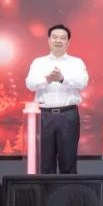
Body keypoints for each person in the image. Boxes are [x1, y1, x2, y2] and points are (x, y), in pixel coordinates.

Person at [25, 24, 88, 174]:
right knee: (46, 162)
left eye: (62, 38)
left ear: (68, 42)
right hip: (44, 116)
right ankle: (47, 190)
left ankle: (68, 190)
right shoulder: (39, 62)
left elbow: (82, 82)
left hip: (68, 115)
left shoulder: (76, 62)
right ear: (49, 40)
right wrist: (46, 80)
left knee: (68, 161)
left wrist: (62, 79)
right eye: (54, 37)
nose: (58, 41)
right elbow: (30, 84)